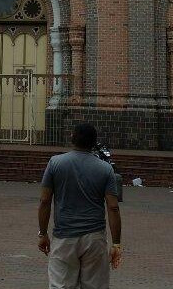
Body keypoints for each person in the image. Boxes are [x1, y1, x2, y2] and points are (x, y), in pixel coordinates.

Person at [38, 123, 121, 289]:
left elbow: (45, 201)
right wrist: (116, 243)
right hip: (94, 237)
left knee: (61, 286)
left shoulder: (55, 163)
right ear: (94, 143)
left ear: (72, 138)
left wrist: (43, 233)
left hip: (64, 236)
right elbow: (113, 208)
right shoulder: (105, 169)